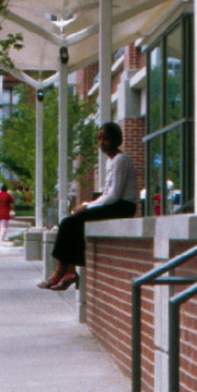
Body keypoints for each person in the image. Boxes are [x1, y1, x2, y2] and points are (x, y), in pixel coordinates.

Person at [39, 121, 138, 291]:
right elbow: (106, 193)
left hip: (123, 207)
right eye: (99, 139)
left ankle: (63, 271)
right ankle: (67, 271)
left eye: (105, 139)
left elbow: (114, 195)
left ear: (116, 139)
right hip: (114, 204)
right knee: (69, 222)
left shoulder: (121, 160)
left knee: (74, 221)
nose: (101, 143)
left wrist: (86, 207)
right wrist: (87, 204)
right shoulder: (111, 161)